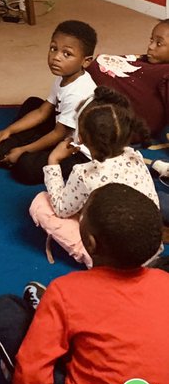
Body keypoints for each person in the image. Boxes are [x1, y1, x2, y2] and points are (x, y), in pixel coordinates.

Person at [0, 185, 169, 384]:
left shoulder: (67, 291)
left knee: (2, 311)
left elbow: (32, 372)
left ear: (90, 242)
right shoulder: (164, 283)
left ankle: (43, 308)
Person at [29, 86, 159, 266]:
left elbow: (60, 209)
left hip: (113, 259)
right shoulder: (135, 157)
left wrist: (53, 160)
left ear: (80, 138)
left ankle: (93, 260)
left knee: (41, 203)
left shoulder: (84, 174)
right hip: (149, 249)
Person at [0, 19, 98, 184]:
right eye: (53, 48)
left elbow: (59, 134)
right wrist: (9, 130)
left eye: (67, 54)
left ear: (86, 61)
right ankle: (7, 147)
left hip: (77, 151)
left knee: (26, 168)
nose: (56, 57)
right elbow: (43, 112)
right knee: (32, 104)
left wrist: (23, 151)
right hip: (65, 131)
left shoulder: (79, 93)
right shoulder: (64, 77)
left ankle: (8, 152)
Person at [87, 20, 169, 138]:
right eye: (151, 40)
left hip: (115, 119)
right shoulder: (148, 60)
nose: (150, 46)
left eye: (159, 43)